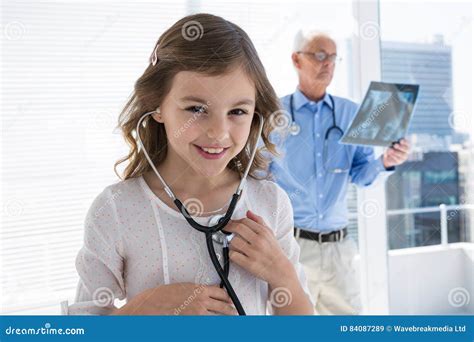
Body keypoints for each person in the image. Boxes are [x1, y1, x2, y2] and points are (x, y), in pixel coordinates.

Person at [61, 13, 314, 316]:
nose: (218, 133)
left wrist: (282, 275)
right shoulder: (115, 210)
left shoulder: (270, 203)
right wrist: (142, 309)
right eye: (196, 109)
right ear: (157, 106)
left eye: (237, 111)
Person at [270, 30, 410, 315]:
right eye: (319, 55)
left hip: (338, 249)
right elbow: (258, 176)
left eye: (333, 57)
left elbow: (361, 173)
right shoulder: (275, 114)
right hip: (291, 246)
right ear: (296, 60)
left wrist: (386, 161)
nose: (328, 64)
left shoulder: (351, 113)